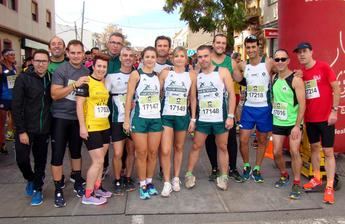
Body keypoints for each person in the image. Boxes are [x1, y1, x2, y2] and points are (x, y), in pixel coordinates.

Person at [184, 45, 236, 191]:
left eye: (206, 56)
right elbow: (192, 97)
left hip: (220, 117)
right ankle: (189, 174)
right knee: (196, 146)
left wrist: (231, 116)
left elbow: (232, 94)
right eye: (200, 57)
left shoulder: (223, 71)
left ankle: (224, 176)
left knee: (222, 147)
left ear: (211, 55)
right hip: (203, 118)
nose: (203, 59)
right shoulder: (195, 74)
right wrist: (193, 119)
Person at [294, 42, 340, 204]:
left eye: (305, 51)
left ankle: (329, 186)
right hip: (310, 119)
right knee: (314, 148)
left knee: (328, 152)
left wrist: (335, 110)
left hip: (326, 118)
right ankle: (316, 178)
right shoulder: (301, 74)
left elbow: (336, 88)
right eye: (299, 52)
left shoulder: (324, 67)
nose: (302, 55)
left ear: (311, 52)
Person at [50, 40, 90, 207]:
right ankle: (58, 188)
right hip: (60, 117)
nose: (75, 56)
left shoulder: (87, 71)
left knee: (76, 153)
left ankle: (78, 180)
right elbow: (54, 94)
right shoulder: (61, 70)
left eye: (79, 53)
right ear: (67, 53)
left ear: (83, 53)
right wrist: (75, 84)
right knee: (57, 154)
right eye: (72, 53)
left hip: (77, 118)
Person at [12, 49, 52, 206]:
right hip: (26, 128)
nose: (41, 64)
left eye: (44, 61)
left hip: (44, 128)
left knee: (41, 161)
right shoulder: (23, 78)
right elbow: (16, 105)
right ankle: (30, 178)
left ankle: (38, 189)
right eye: (38, 61)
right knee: (22, 159)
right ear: (32, 62)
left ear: (48, 63)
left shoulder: (51, 78)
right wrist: (21, 130)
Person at [232, 35, 275, 183]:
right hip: (248, 108)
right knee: (243, 140)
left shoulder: (268, 63)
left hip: (264, 108)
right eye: (248, 47)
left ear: (258, 47)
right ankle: (246, 165)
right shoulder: (244, 65)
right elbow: (236, 75)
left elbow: (282, 71)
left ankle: (257, 168)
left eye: (253, 47)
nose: (251, 50)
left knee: (262, 140)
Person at [123, 47, 162, 200]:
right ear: (142, 58)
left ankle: (150, 181)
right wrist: (126, 120)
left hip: (155, 118)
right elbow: (128, 98)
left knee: (153, 153)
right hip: (140, 118)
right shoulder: (136, 74)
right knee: (142, 153)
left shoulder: (158, 76)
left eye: (153, 56)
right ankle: (142, 184)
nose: (150, 59)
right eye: (147, 56)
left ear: (156, 58)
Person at [159, 46, 197, 197]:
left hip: (182, 116)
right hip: (166, 115)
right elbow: (157, 92)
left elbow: (193, 98)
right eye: (176, 56)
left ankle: (176, 178)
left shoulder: (191, 75)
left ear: (186, 59)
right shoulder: (166, 73)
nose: (179, 58)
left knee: (179, 147)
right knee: (166, 150)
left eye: (182, 56)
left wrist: (193, 118)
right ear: (172, 58)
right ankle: (166, 182)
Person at [205, 34, 243, 183]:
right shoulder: (206, 58)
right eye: (218, 42)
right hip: (208, 107)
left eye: (223, 43)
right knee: (210, 139)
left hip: (227, 108)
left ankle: (232, 168)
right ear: (213, 44)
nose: (220, 45)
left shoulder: (230, 62)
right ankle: (215, 168)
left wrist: (241, 67)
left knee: (231, 139)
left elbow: (240, 79)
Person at [76, 53, 112, 205]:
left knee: (102, 161)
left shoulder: (103, 83)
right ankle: (88, 194)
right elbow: (78, 105)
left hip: (105, 126)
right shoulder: (86, 82)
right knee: (97, 161)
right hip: (91, 127)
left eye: (104, 67)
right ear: (93, 66)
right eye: (99, 66)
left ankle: (97, 187)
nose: (101, 69)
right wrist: (82, 127)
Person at [271, 49, 305, 200]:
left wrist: (297, 125)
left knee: (294, 151)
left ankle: (297, 182)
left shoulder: (296, 79)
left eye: (282, 59)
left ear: (288, 61)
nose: (280, 62)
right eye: (277, 59)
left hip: (293, 123)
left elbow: (303, 105)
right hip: (278, 121)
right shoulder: (273, 78)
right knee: (276, 152)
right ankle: (284, 174)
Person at [105, 47, 136, 195]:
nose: (128, 58)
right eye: (125, 55)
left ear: (134, 58)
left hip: (135, 118)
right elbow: (103, 98)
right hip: (118, 120)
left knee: (131, 151)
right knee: (117, 153)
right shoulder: (111, 76)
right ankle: (117, 179)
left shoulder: (138, 75)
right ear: (120, 58)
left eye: (131, 55)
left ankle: (128, 177)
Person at [103, 32, 126, 178]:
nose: (115, 45)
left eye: (118, 43)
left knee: (122, 139)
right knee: (103, 138)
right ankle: (103, 166)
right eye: (112, 42)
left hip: (120, 107)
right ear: (107, 43)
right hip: (102, 106)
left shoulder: (124, 61)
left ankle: (122, 168)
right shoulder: (100, 60)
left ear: (121, 46)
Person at [0, 48, 16, 144]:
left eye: (14, 55)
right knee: (1, 122)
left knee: (14, 117)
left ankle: (10, 134)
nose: (13, 56)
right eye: (11, 55)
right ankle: (1, 143)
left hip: (13, 97)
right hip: (3, 98)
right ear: (5, 56)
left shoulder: (14, 67)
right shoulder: (1, 66)